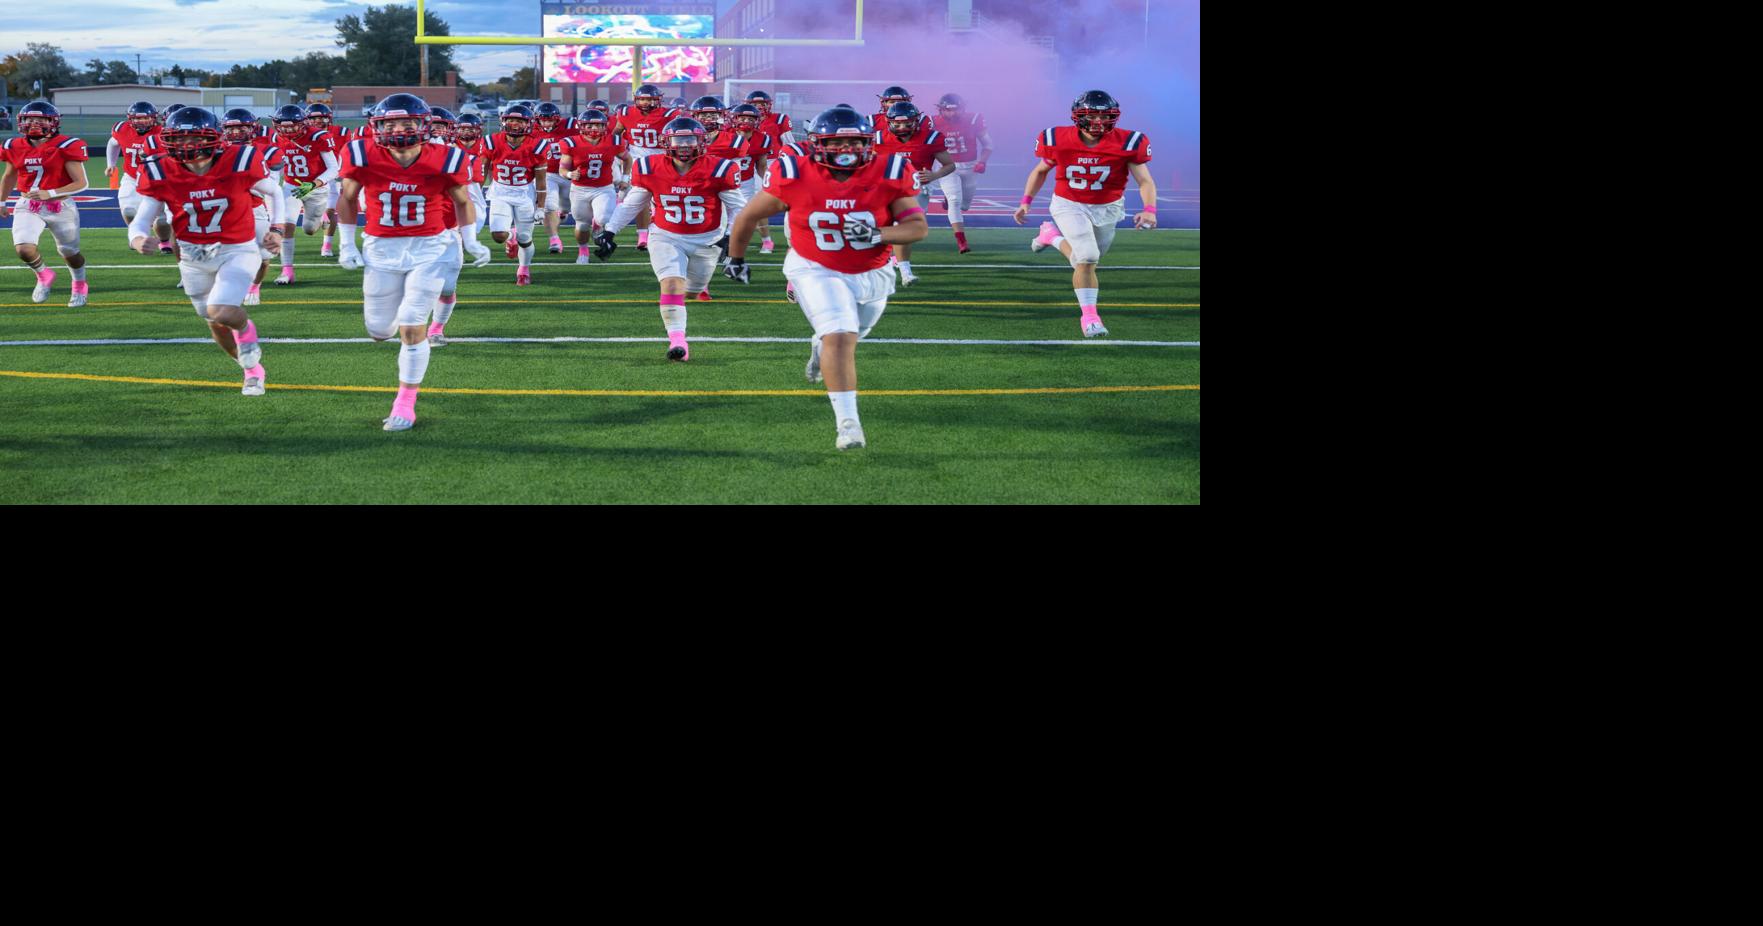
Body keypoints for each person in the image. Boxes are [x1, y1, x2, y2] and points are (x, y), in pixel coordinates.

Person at [724, 107, 928, 451]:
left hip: (873, 271)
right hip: (815, 266)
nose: (846, 149)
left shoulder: (889, 171)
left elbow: (918, 228)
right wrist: (737, 258)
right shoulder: (794, 172)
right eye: (836, 141)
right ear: (818, 144)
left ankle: (819, 348)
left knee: (849, 336)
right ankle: (848, 424)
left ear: (868, 142)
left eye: (854, 141)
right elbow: (748, 216)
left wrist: (879, 234)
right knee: (840, 337)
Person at [334, 94, 476, 431]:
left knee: (412, 325)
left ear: (423, 125)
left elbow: (463, 200)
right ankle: (398, 338)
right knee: (380, 331)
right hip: (381, 248)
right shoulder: (360, 153)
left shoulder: (447, 156)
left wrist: (469, 240)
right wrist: (345, 243)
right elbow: (347, 198)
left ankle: (405, 402)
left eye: (407, 122)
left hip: (430, 246)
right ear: (378, 126)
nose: (399, 129)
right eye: (391, 123)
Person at [128, 107, 285, 396]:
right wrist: (138, 239)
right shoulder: (160, 169)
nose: (188, 146)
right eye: (180, 139)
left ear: (214, 138)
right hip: (192, 257)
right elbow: (141, 220)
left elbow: (275, 191)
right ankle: (252, 372)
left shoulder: (239, 160)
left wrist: (276, 229)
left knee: (220, 308)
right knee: (214, 322)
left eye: (195, 138)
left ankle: (248, 332)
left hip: (237, 249)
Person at [591, 117, 745, 362]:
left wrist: (731, 238)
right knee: (672, 284)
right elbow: (633, 203)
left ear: (701, 141)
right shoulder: (649, 167)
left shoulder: (720, 168)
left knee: (692, 291)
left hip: (708, 239)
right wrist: (610, 231)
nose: (684, 145)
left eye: (690, 139)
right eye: (678, 139)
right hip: (666, 235)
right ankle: (678, 342)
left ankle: (684, 311)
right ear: (667, 142)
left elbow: (738, 208)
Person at [1013, 90, 1157, 338]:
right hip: (1069, 204)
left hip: (1108, 207)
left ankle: (1051, 237)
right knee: (1088, 257)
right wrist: (1026, 201)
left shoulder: (1128, 142)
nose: (1099, 122)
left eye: (1105, 116)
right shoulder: (1056, 138)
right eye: (1093, 115)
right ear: (1078, 116)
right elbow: (1040, 171)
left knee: (1084, 261)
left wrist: (1149, 210)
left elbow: (1145, 180)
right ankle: (1090, 318)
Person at [0, 101, 93, 307]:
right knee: (24, 248)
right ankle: (43, 275)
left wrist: (49, 193)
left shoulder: (66, 145)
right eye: (29, 119)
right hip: (28, 204)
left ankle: (79, 284)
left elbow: (81, 183)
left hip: (60, 206)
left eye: (41, 119)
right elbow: (9, 176)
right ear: (21, 122)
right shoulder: (13, 146)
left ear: (53, 122)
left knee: (70, 253)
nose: (34, 123)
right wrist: (2, 201)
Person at [874, 101, 956, 286]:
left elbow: (950, 164)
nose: (902, 127)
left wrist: (934, 175)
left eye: (907, 123)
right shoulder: (877, 139)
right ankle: (904, 272)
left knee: (903, 228)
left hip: (916, 189)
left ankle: (900, 268)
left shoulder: (930, 138)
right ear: (888, 122)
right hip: (885, 189)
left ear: (917, 121)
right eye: (897, 123)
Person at [266, 104, 339, 284]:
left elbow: (334, 169)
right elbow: (274, 165)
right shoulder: (276, 138)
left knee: (309, 229)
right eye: (284, 126)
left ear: (303, 123)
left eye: (292, 126)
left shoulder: (317, 136)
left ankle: (322, 219)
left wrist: (313, 184)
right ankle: (287, 271)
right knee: (286, 224)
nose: (288, 130)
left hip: (317, 189)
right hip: (291, 187)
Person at [222, 108, 287, 306]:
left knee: (265, 254)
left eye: (241, 128)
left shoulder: (268, 150)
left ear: (252, 128)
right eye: (231, 129)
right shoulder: (217, 150)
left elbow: (270, 187)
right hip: (224, 210)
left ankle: (254, 286)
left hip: (255, 207)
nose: (236, 133)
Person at [480, 103, 549, 285]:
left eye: (519, 121)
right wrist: (477, 193)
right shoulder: (492, 141)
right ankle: (511, 237)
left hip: (524, 195)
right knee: (498, 235)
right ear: (504, 121)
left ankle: (523, 270)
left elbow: (541, 180)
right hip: (500, 193)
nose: (515, 124)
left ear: (528, 124)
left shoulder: (537, 146)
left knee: (525, 238)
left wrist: (541, 206)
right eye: (511, 120)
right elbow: (482, 170)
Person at [556, 111, 630, 265]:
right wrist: (570, 174)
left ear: (604, 126)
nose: (594, 128)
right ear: (581, 126)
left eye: (598, 124)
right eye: (589, 124)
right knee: (582, 225)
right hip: (580, 190)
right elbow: (562, 170)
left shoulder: (613, 141)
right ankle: (583, 250)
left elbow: (627, 159)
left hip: (604, 188)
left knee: (604, 218)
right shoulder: (572, 143)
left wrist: (625, 178)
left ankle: (597, 224)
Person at [614, 85, 681, 251]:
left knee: (662, 198)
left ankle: (663, 231)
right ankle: (643, 235)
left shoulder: (670, 115)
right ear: (636, 99)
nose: (646, 102)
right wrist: (617, 150)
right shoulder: (625, 113)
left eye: (650, 99)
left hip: (662, 158)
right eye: (643, 98)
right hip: (637, 160)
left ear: (658, 99)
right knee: (640, 198)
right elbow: (616, 133)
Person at [930, 93, 991, 254]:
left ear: (963, 109)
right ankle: (961, 241)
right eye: (948, 110)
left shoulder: (973, 119)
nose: (952, 114)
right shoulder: (932, 122)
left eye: (956, 110)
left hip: (969, 166)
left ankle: (948, 200)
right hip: (946, 166)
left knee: (965, 205)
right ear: (940, 110)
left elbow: (988, 145)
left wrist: (982, 161)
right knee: (955, 200)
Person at [107, 101, 170, 254]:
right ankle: (136, 237)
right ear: (131, 119)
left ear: (154, 118)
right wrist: (111, 164)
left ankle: (165, 241)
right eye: (138, 119)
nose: (142, 122)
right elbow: (112, 143)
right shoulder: (122, 129)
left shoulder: (163, 132)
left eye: (146, 118)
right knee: (128, 211)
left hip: (157, 178)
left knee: (161, 220)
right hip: (132, 176)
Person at [531, 102, 578, 253]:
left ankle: (563, 212)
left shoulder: (570, 125)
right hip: (547, 174)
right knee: (549, 205)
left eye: (550, 119)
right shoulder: (531, 131)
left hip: (568, 173)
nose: (546, 122)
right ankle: (554, 240)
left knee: (571, 207)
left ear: (557, 119)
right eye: (543, 119)